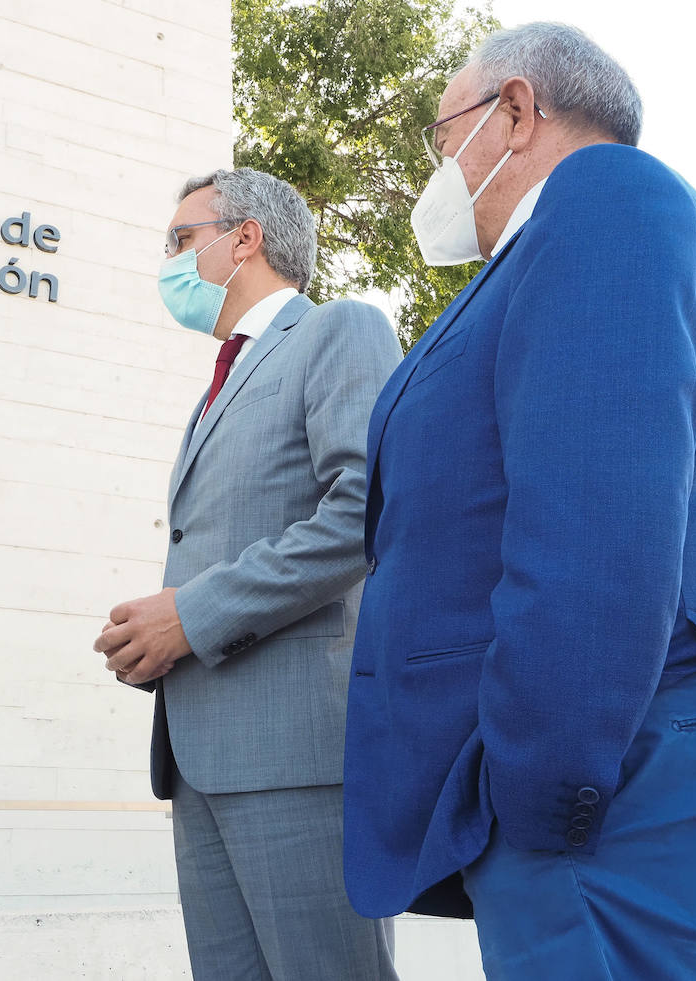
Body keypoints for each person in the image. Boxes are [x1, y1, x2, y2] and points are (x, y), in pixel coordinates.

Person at [342, 21, 696, 979]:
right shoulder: (557, 241)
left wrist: (541, 788)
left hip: (604, 781)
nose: (437, 168)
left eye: (441, 136)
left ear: (517, 110)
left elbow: (596, 529)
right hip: (599, 773)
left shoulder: (605, 196)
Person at [94, 168, 402, 980]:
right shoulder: (217, 385)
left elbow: (363, 511)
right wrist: (155, 637)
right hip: (200, 756)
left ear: (245, 238)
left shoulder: (341, 331)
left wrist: (189, 617)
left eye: (181, 240)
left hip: (294, 755)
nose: (170, 260)